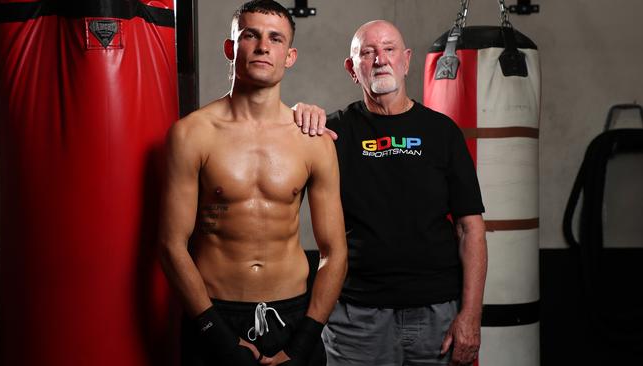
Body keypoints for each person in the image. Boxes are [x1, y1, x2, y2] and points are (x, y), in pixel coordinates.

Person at [158, 1, 347, 366]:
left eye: (275, 38)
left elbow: (334, 252)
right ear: (231, 47)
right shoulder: (191, 135)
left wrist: (305, 340)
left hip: (294, 319)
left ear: (289, 56)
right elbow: (170, 246)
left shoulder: (314, 140)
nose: (263, 46)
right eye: (250, 35)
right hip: (214, 316)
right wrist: (215, 334)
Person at [294, 20, 487, 366]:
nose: (380, 59)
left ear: (406, 60)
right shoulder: (331, 134)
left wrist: (471, 316)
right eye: (367, 53)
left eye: (389, 49)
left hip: (436, 315)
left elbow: (470, 229)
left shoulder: (442, 133)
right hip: (355, 319)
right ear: (352, 69)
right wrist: (293, 116)